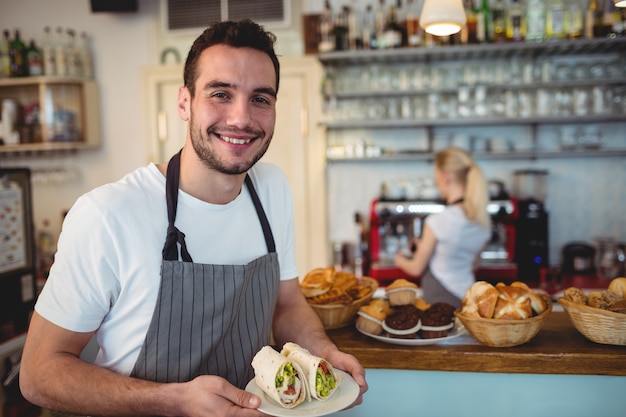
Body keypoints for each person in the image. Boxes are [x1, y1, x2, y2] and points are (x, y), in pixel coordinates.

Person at [19, 20, 367, 417]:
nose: (241, 118)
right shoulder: (107, 214)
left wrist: (322, 355)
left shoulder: (272, 189)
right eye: (221, 93)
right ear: (184, 102)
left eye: (260, 98)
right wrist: (172, 400)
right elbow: (38, 373)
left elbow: (286, 304)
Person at [394, 147, 490, 307]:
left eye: (436, 177)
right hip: (468, 299)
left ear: (446, 177)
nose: (436, 182)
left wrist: (399, 260)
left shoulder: (439, 220)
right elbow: (473, 265)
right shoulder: (482, 221)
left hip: (439, 302)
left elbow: (416, 268)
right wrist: (424, 248)